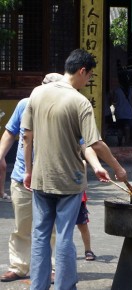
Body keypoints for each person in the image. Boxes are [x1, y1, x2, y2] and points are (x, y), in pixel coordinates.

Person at [21, 49, 127, 290]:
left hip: (40, 178)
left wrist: (29, 170)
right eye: (89, 76)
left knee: (40, 235)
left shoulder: (36, 93)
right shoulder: (80, 102)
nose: (88, 81)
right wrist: (118, 168)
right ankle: (64, 286)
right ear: (82, 71)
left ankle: (37, 286)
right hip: (69, 180)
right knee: (65, 236)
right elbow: (96, 143)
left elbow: (27, 137)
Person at [0, 73, 63, 283]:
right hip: (21, 177)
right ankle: (19, 266)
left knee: (51, 226)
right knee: (22, 226)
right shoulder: (25, 104)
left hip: (50, 178)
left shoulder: (64, 108)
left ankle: (52, 267)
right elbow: (10, 132)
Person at [113, 64, 132, 146]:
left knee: (119, 129)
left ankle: (119, 143)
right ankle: (127, 143)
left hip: (119, 112)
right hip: (129, 112)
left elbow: (114, 101)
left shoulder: (117, 90)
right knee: (127, 129)